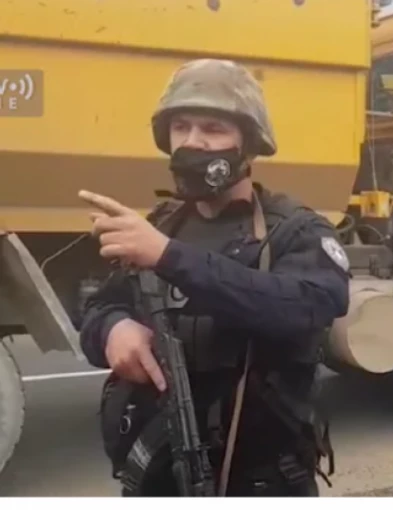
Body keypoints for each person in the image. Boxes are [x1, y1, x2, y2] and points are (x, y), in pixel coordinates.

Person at [78, 58, 350, 497]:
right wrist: (113, 329)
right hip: (161, 473)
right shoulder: (162, 225)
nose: (193, 142)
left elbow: (309, 306)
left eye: (213, 128)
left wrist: (169, 257)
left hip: (263, 478)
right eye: (180, 126)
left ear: (249, 143)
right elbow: (97, 307)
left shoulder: (295, 229)